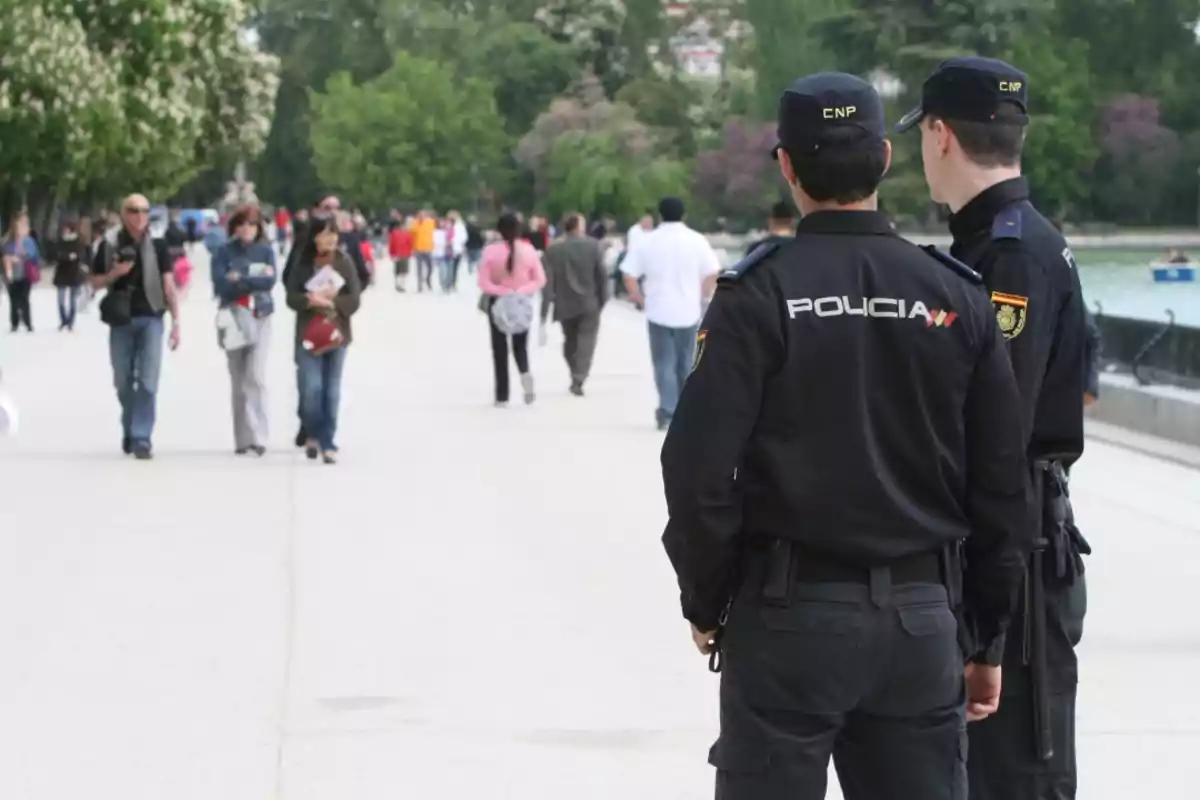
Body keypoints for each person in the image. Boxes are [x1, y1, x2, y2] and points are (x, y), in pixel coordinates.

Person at [661, 71, 1032, 800]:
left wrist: (708, 600)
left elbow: (697, 469)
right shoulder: (955, 294)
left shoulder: (756, 295)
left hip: (786, 619)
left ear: (787, 166)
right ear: (886, 159)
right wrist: (986, 633)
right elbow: (1001, 480)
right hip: (922, 623)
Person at [897, 57, 1091, 800]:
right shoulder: (1008, 238)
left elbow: (994, 437)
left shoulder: (1007, 252)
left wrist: (989, 624)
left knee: (1012, 774)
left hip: (1017, 554)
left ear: (940, 136)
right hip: (1012, 542)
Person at [91, 193, 182, 459]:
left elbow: (169, 284)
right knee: (122, 380)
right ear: (123, 213)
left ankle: (142, 437)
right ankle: (129, 426)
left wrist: (177, 322)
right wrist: (114, 274)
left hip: (152, 317)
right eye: (133, 210)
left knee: (148, 381)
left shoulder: (158, 244)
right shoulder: (108, 244)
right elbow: (94, 282)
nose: (140, 215)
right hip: (121, 320)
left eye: (144, 210)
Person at [620, 197, 720, 430]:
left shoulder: (648, 241)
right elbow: (713, 271)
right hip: (689, 310)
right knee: (686, 361)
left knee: (663, 362)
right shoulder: (696, 240)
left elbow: (628, 274)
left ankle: (667, 410)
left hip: (658, 310)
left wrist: (639, 298)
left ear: (660, 215)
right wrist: (702, 294)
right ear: (684, 215)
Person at [285, 215, 362, 464]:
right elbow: (291, 297)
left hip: (337, 332)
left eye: (333, 233)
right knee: (312, 388)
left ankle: (328, 441)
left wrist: (332, 301)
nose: (329, 239)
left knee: (332, 390)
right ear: (314, 237)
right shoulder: (303, 263)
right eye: (324, 234)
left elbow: (354, 299)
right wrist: (309, 299)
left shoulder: (344, 262)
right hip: (309, 333)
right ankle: (313, 433)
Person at [211, 205, 277, 456]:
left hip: (259, 314)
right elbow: (221, 284)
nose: (246, 229)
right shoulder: (223, 252)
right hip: (233, 317)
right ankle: (242, 438)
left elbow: (269, 280)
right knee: (238, 380)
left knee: (256, 375)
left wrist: (241, 277)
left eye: (251, 224)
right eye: (242, 224)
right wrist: (250, 278)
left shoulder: (265, 250)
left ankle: (261, 435)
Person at [478, 212, 546, 407]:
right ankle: (525, 374)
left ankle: (502, 395)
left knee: (499, 349)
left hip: (498, 302)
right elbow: (540, 279)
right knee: (520, 346)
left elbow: (483, 282)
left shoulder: (491, 252)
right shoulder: (529, 250)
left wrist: (502, 290)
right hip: (522, 302)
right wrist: (521, 291)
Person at [540, 213, 608, 396]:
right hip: (589, 302)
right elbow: (602, 276)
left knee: (569, 341)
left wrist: (544, 311)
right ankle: (579, 376)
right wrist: (602, 300)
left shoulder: (553, 249)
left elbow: (547, 282)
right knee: (587, 341)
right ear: (579, 226)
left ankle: (574, 371)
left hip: (564, 303)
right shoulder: (594, 246)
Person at [3, 212, 40, 332]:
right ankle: (14, 322)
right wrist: (9, 257)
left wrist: (23, 256)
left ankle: (27, 322)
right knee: (13, 299)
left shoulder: (29, 241)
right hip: (11, 273)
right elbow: (4, 253)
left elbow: (35, 256)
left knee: (24, 298)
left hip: (25, 273)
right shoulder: (9, 240)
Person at [52, 220, 88, 331]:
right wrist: (68, 257)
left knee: (73, 299)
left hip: (74, 274)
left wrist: (68, 257)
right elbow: (57, 256)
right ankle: (63, 320)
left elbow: (79, 256)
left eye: (66, 229)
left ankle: (71, 322)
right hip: (62, 273)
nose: (64, 231)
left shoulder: (78, 241)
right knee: (61, 300)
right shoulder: (60, 242)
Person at [388, 218, 414, 291]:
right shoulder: (406, 234)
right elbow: (392, 244)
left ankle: (399, 284)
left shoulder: (396, 233)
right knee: (401, 270)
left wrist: (391, 254)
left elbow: (410, 245)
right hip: (401, 254)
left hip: (402, 254)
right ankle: (400, 285)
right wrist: (391, 254)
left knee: (399, 270)